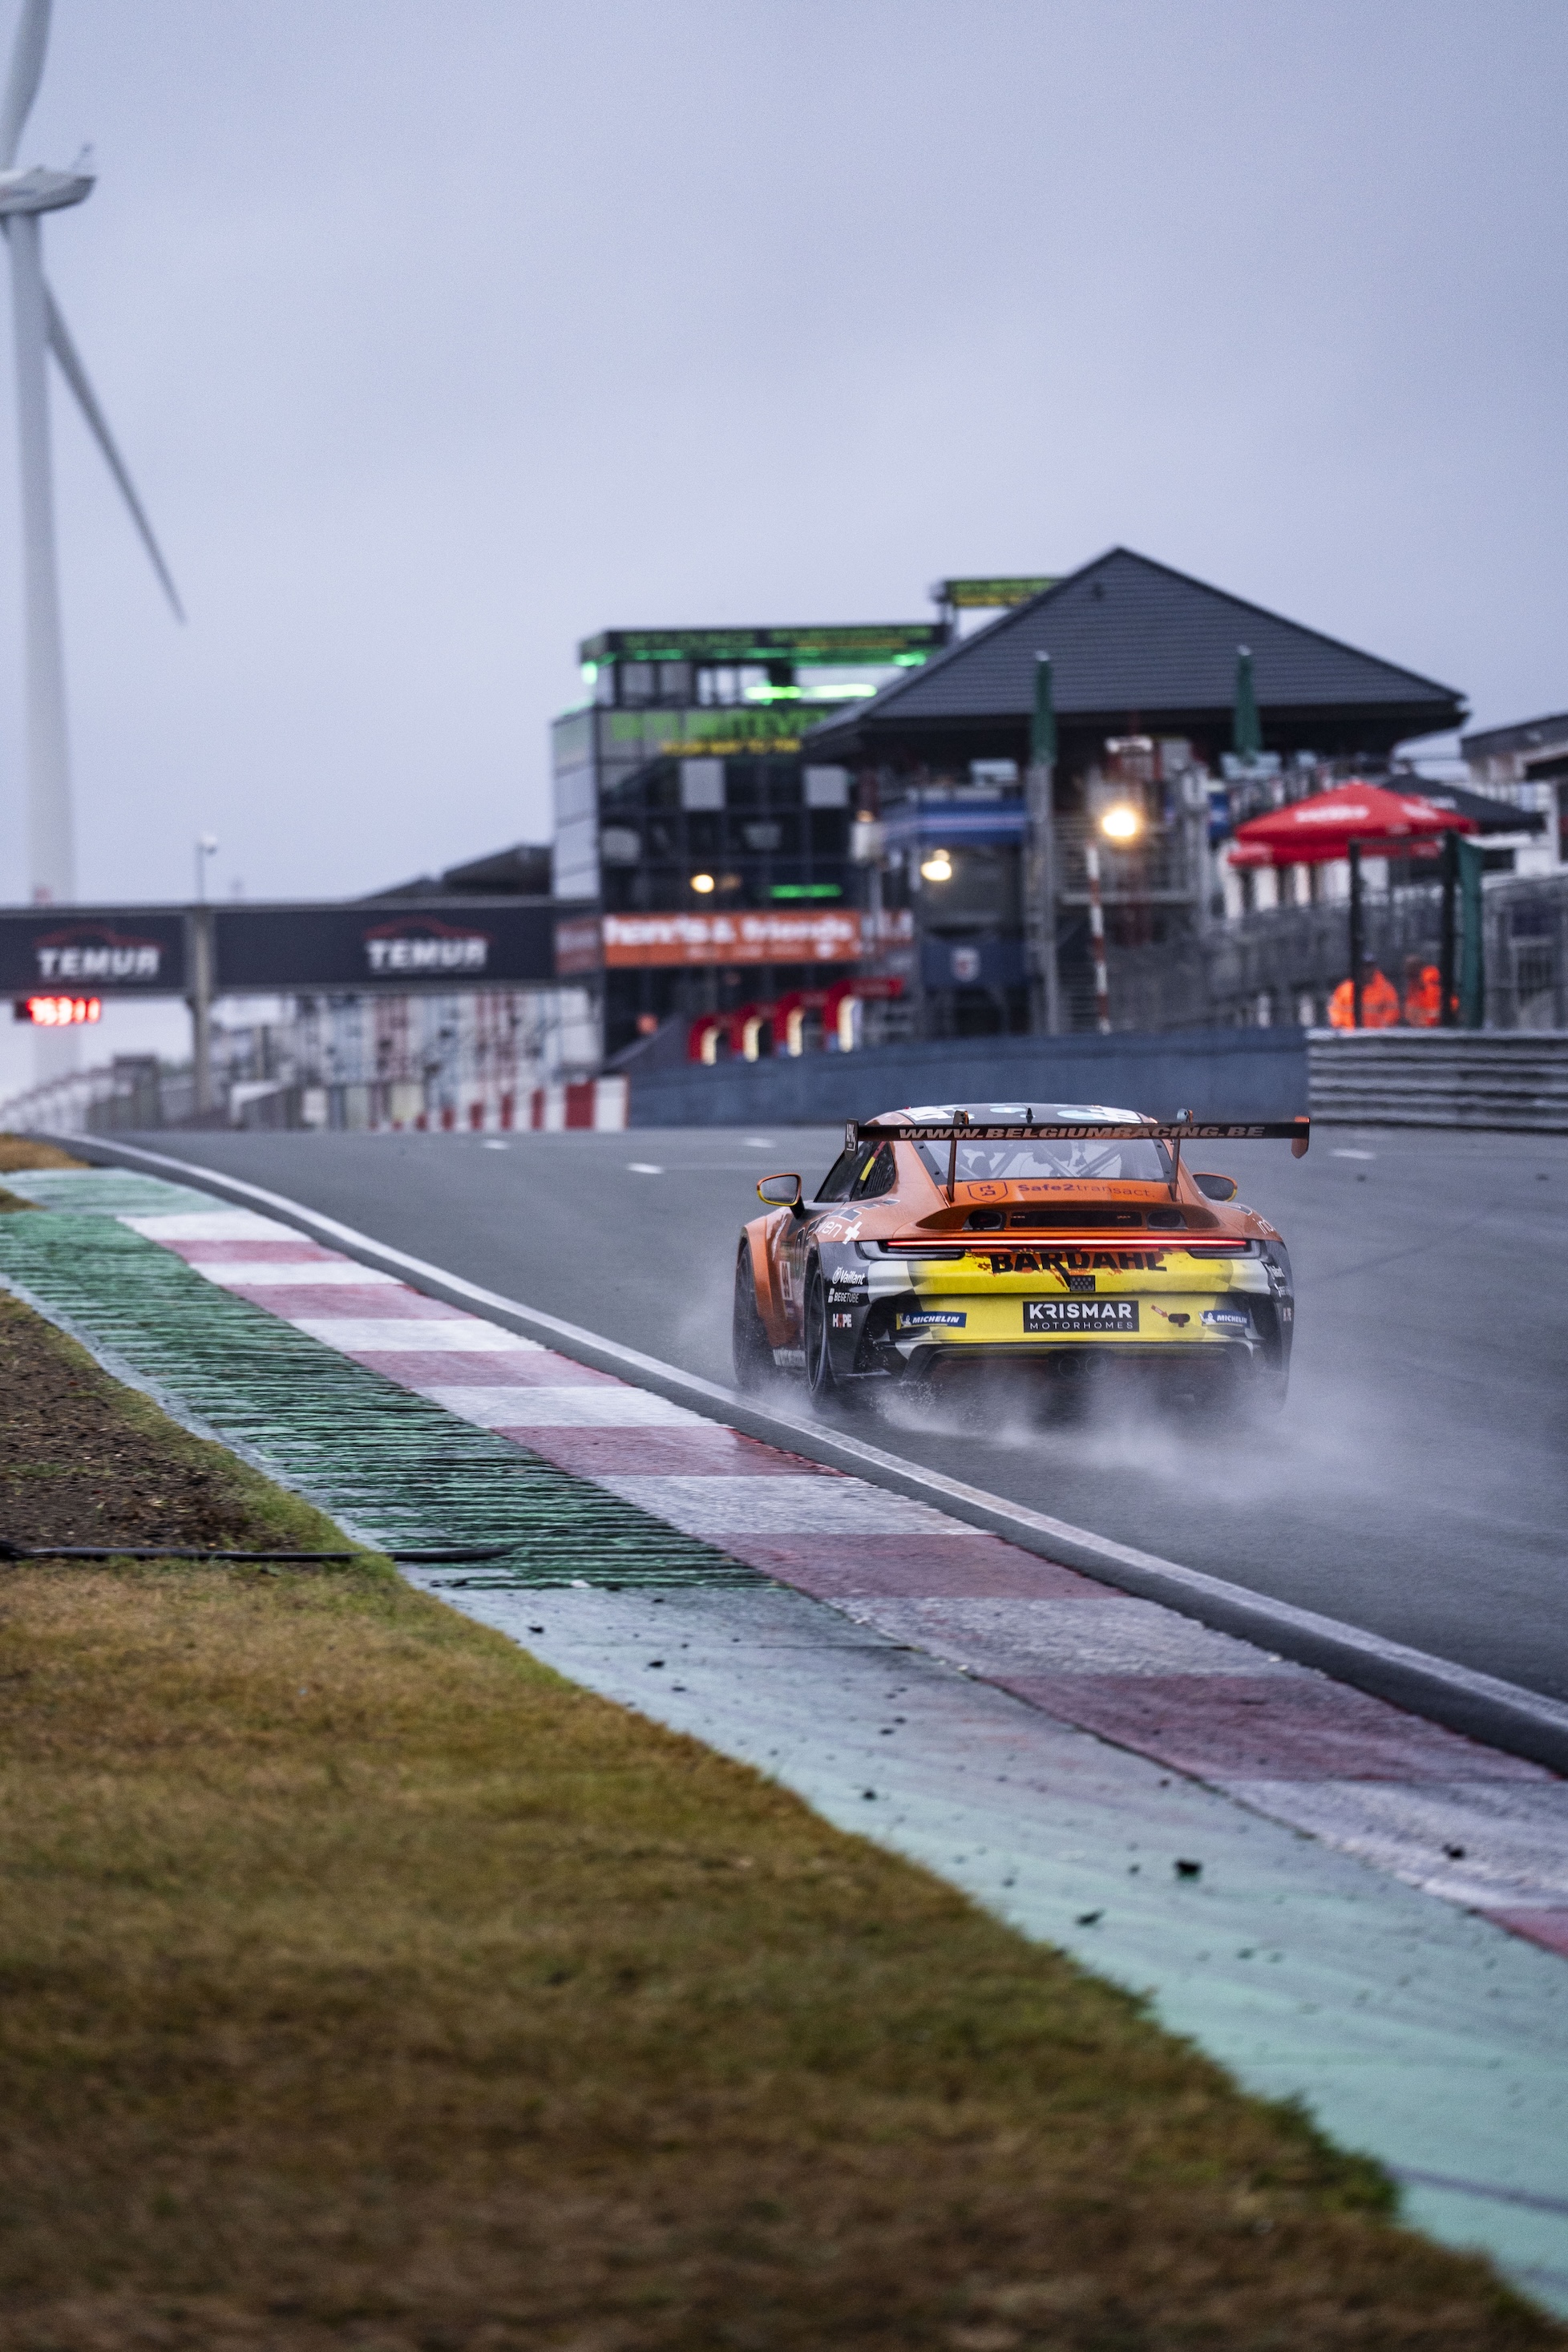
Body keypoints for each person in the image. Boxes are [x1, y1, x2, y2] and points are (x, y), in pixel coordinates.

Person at [1328, 965, 1400, 1028]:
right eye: (1363, 967)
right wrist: (1339, 1026)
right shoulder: (1345, 989)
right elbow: (1334, 1011)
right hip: (1348, 1037)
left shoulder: (1386, 989)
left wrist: (1382, 1030)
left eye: (1369, 967)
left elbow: (1392, 1013)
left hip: (1377, 1037)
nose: (1366, 971)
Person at [1403, 959, 1443, 1027]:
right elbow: (1410, 1013)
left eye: (1412, 975)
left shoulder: (1432, 987)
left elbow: (1435, 1015)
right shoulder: (1414, 987)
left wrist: (1421, 1019)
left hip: (1435, 1029)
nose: (1410, 979)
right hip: (1420, 1029)